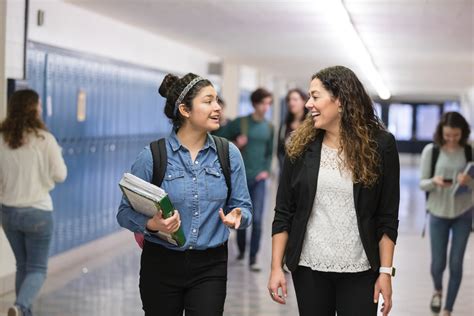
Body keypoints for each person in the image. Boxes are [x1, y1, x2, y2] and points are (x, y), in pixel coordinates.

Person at [267, 65, 400, 316]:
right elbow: (284, 211)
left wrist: (385, 272)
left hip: (362, 268)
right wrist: (276, 268)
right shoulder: (299, 145)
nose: (308, 104)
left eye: (315, 96)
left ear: (340, 100)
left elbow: (387, 216)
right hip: (309, 268)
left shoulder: (381, 146)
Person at [117, 73, 252, 316]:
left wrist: (239, 217)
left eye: (217, 101)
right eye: (208, 101)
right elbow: (124, 213)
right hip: (160, 264)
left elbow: (245, 207)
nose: (217, 107)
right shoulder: (153, 156)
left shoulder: (228, 154)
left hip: (210, 266)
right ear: (184, 110)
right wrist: (152, 224)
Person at [0, 89, 67, 316]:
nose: (40, 108)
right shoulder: (44, 139)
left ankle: (21, 311)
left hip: (8, 213)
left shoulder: (2, 138)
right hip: (38, 211)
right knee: (37, 268)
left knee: (22, 266)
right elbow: (61, 175)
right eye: (38, 105)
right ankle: (19, 307)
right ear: (34, 108)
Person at [419, 112, 473, 316]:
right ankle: (437, 290)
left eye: (456, 135)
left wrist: (469, 182)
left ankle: (448, 309)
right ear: (441, 132)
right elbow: (421, 183)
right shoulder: (431, 151)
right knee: (438, 263)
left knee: (457, 262)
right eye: (448, 135)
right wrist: (435, 181)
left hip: (464, 213)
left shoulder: (470, 150)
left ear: (463, 133)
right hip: (438, 213)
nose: (451, 139)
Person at [222, 87, 274, 271]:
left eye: (268, 103)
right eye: (263, 103)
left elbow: (269, 153)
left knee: (258, 219)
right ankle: (242, 250)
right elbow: (218, 137)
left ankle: (253, 257)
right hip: (240, 178)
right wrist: (236, 143)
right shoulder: (241, 123)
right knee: (242, 216)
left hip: (259, 179)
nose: (266, 107)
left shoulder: (269, 127)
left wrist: (266, 170)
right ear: (254, 103)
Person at [277, 88, 308, 171]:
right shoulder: (284, 125)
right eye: (289, 100)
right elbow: (280, 150)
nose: (291, 103)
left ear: (303, 101)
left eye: (295, 99)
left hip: (304, 171)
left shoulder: (310, 125)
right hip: (286, 171)